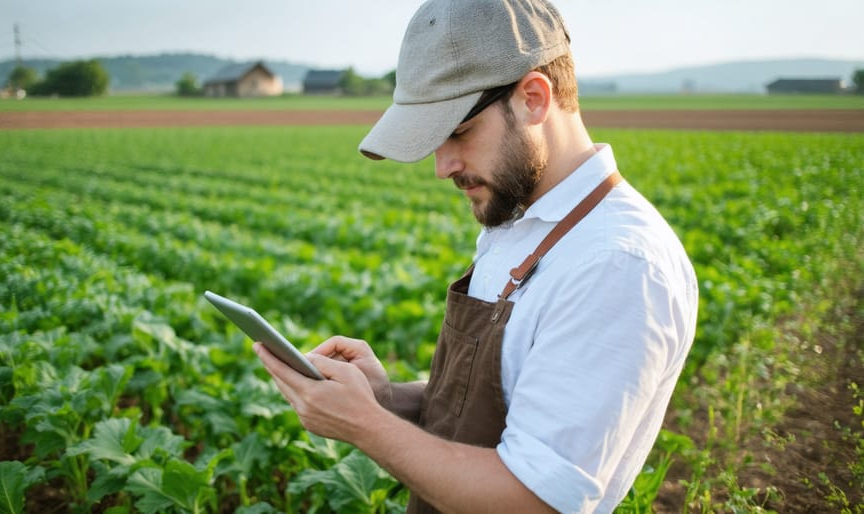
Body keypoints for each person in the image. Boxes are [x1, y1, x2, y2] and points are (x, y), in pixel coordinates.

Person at [254, 0, 699, 512]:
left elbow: (532, 500)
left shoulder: (616, 265)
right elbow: (507, 407)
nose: (442, 167)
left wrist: (364, 426)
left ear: (533, 98)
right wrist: (386, 399)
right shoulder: (519, 220)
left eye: (459, 132)